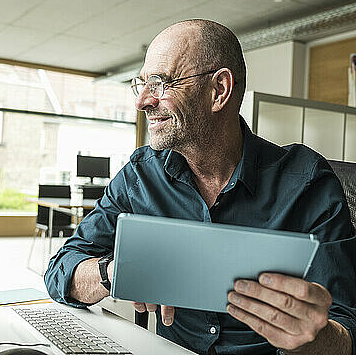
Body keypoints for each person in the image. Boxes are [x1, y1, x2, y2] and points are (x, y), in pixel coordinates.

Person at [44, 19, 356, 355]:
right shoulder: (140, 176)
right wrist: (112, 271)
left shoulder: (307, 183)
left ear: (219, 90)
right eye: (143, 84)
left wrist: (310, 338)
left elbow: (346, 330)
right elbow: (62, 268)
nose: (143, 101)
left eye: (161, 83)